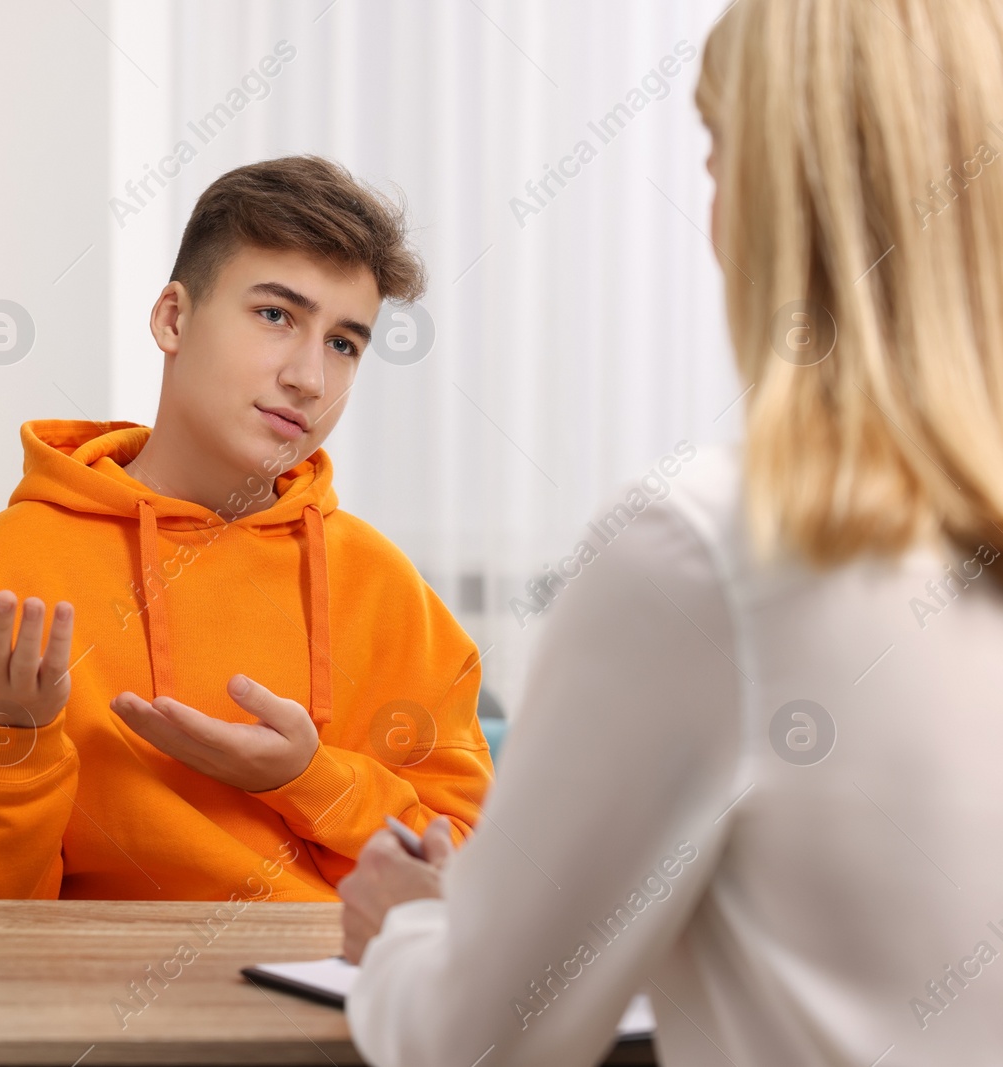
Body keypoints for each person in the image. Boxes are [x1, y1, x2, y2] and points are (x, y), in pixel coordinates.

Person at [340, 0, 1003, 1063]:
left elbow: (477, 1043)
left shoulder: (705, 553)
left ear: (775, 194)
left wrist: (412, 927)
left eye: (714, 154)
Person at [0, 156, 494, 901]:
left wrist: (308, 779)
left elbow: (469, 885)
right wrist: (8, 740)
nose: (310, 378)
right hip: (93, 1009)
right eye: (277, 315)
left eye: (344, 343)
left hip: (333, 1001)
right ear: (173, 318)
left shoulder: (386, 587)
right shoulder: (15, 560)